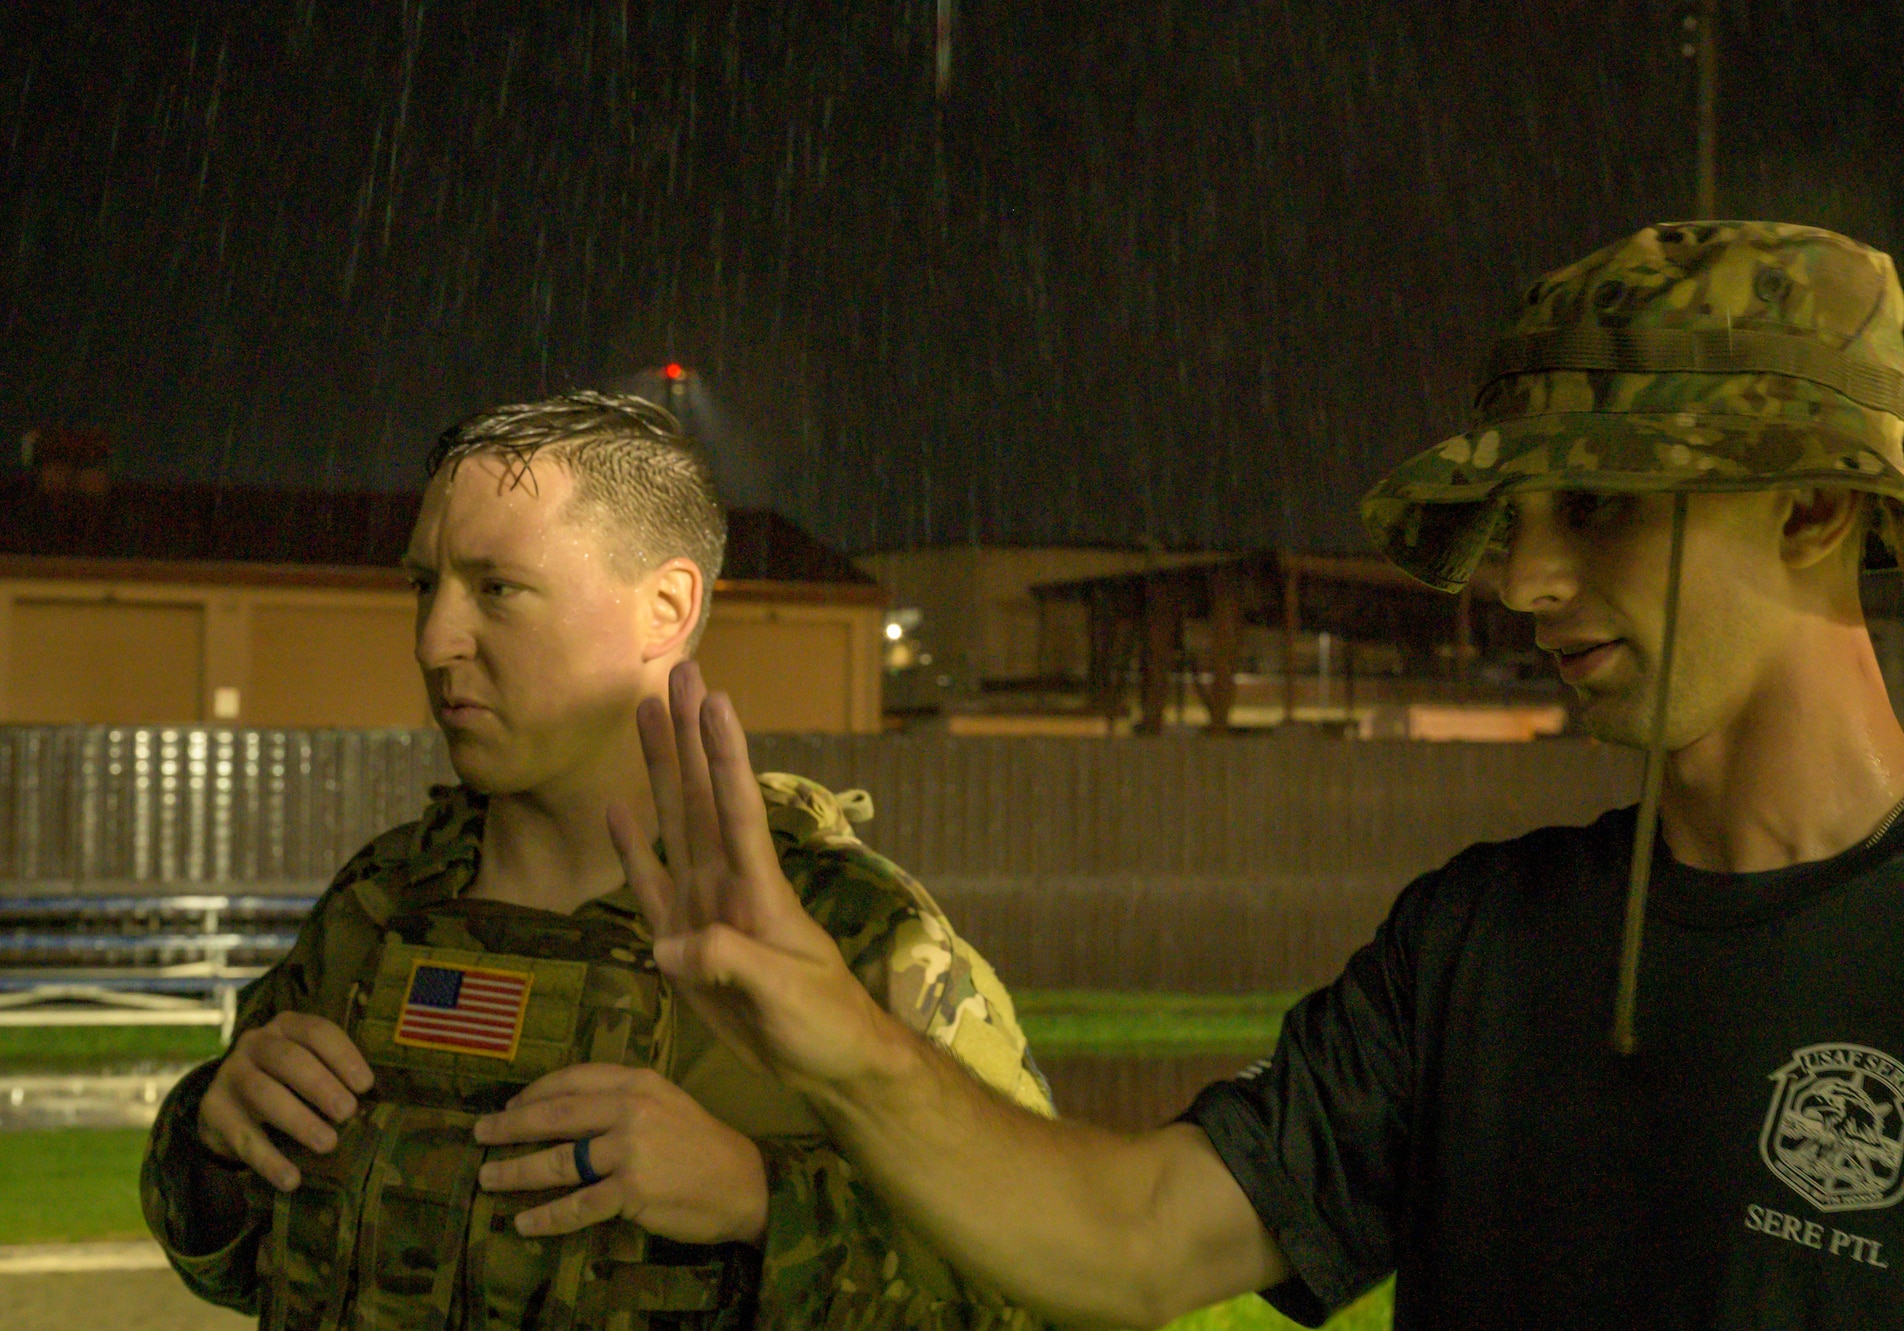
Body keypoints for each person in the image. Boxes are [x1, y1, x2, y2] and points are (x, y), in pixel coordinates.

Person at [612, 222, 1904, 1328]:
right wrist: (843, 1042)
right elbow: (1137, 1239)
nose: (1524, 581)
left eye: (1603, 504)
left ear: (1808, 508)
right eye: (1516, 522)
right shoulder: (1478, 942)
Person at [139, 391, 1056, 1330]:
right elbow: (230, 1252)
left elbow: (1042, 1288)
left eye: (496, 588)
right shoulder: (382, 904)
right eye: (426, 586)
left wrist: (758, 1203)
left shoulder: (848, 933)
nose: (433, 641)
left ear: (665, 606)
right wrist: (211, 1136)